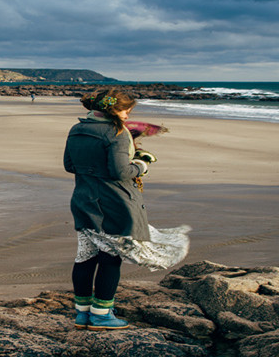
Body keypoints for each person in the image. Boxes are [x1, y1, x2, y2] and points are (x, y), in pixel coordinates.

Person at [63, 90, 189, 331]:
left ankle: (82, 313)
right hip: (113, 203)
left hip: (83, 201)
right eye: (126, 111)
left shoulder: (76, 129)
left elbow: (70, 165)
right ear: (115, 111)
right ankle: (101, 314)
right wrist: (141, 164)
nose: (127, 115)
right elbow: (120, 172)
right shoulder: (117, 133)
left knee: (85, 257)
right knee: (111, 257)